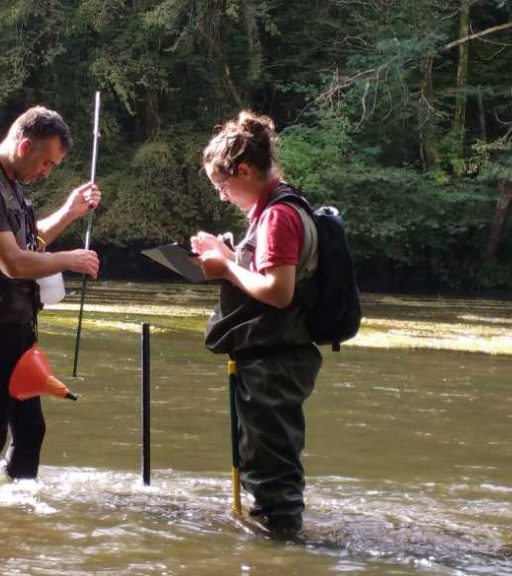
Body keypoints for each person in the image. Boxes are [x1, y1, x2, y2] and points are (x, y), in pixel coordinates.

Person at [0, 106, 101, 491]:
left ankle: (18, 509)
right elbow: (13, 262)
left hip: (16, 331)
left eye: (53, 166)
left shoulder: (10, 185)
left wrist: (69, 212)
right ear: (24, 145)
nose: (46, 172)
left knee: (31, 430)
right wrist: (71, 260)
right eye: (45, 162)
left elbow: (31, 242)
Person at [191, 110, 321, 539]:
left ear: (244, 170)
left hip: (275, 360)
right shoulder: (279, 207)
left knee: (272, 462)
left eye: (223, 186)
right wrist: (226, 255)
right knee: (264, 454)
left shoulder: (279, 216)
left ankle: (283, 543)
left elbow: (278, 291)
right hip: (274, 357)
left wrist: (227, 271)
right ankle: (275, 539)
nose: (224, 197)